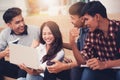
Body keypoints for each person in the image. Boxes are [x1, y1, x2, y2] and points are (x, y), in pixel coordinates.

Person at [70, 1, 120, 80]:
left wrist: (104, 64)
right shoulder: (92, 33)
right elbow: (81, 61)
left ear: (97, 17)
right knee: (88, 71)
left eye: (86, 19)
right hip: (106, 72)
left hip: (117, 70)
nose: (85, 23)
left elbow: (104, 65)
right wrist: (72, 43)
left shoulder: (118, 28)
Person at [47, 2, 89, 80]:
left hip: (86, 65)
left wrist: (65, 66)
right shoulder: (82, 30)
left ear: (82, 18)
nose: (70, 21)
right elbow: (78, 46)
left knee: (74, 69)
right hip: (81, 63)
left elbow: (85, 60)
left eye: (72, 18)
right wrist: (60, 43)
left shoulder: (90, 32)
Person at [0, 7, 40, 80]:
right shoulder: (4, 34)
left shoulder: (36, 30)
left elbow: (51, 43)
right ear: (9, 25)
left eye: (22, 20)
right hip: (15, 67)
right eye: (17, 22)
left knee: (25, 67)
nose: (22, 24)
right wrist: (4, 53)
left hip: (32, 67)